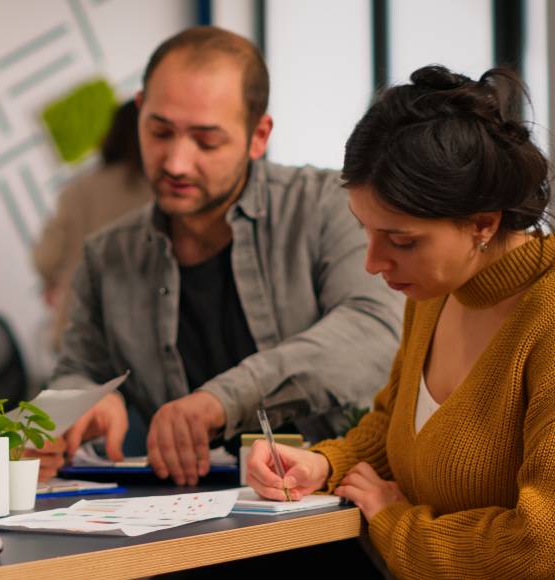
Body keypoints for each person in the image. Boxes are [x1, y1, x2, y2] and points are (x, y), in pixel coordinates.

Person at [36, 27, 403, 485]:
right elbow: (78, 370)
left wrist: (222, 401)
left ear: (258, 134)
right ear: (138, 113)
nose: (176, 162)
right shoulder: (108, 254)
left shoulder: (328, 206)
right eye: (159, 131)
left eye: (206, 141)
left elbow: (374, 329)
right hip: (178, 518)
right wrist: (82, 402)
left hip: (326, 504)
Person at [247, 65, 555, 578]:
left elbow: (541, 545)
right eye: (365, 230)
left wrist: (396, 524)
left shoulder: (544, 318)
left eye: (402, 240)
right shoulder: (435, 289)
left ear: (483, 223)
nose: (373, 262)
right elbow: (396, 426)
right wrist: (325, 465)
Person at [33, 100, 154, 351]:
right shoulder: (162, 190)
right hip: (147, 330)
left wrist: (51, 281)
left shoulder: (79, 189)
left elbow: (45, 258)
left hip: (79, 330)